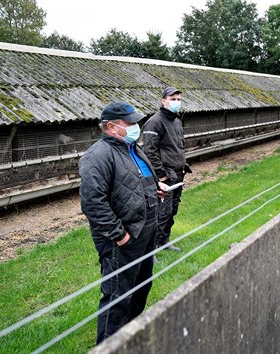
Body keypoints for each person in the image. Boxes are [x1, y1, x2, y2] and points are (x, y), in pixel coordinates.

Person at [79, 101, 168, 344]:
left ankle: (129, 337)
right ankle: (108, 345)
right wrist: (119, 235)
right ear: (110, 126)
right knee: (118, 296)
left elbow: (136, 181)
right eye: (130, 123)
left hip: (145, 232)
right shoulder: (97, 156)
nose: (136, 127)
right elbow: (92, 203)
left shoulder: (132, 148)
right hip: (125, 237)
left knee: (141, 286)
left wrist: (155, 188)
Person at [142, 86, 190, 252]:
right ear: (163, 101)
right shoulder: (155, 122)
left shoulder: (176, 121)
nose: (176, 102)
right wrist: (160, 176)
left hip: (178, 173)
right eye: (172, 99)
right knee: (162, 211)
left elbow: (178, 146)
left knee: (172, 210)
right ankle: (150, 248)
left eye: (178, 99)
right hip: (165, 176)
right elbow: (150, 151)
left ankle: (164, 241)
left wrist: (183, 166)